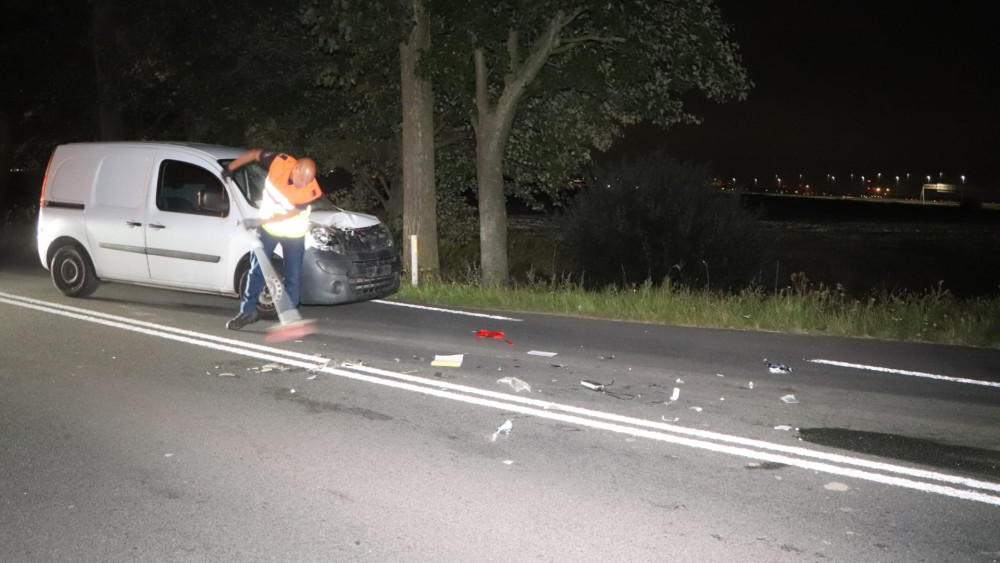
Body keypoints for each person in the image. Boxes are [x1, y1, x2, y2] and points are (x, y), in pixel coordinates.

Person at [222, 149, 322, 330]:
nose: (303, 184)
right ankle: (248, 311)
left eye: (307, 180)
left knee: (292, 276)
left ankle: (290, 316)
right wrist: (231, 167)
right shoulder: (279, 162)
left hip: (294, 233)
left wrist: (258, 221)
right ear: (295, 169)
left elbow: (289, 214)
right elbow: (253, 154)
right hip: (269, 230)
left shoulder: (310, 190)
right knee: (256, 269)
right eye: (301, 179)